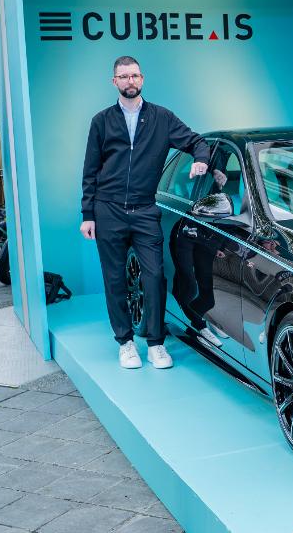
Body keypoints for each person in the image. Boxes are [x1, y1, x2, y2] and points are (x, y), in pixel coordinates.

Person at [81, 55, 210, 370]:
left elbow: (196, 141)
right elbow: (90, 170)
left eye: (135, 75)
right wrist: (88, 214)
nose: (131, 81)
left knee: (154, 276)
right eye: (124, 76)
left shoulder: (162, 118)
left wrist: (201, 159)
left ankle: (155, 344)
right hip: (108, 209)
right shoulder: (101, 121)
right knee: (114, 279)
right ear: (114, 81)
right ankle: (125, 342)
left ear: (142, 79)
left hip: (144, 210)